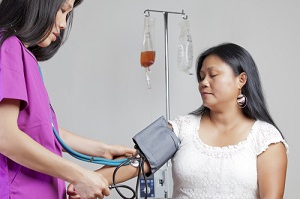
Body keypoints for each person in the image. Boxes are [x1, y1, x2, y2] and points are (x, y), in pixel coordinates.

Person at [68, 42, 288, 199]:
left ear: (241, 79)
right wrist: (80, 184)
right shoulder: (181, 127)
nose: (203, 83)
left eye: (213, 75)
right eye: (201, 77)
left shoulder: (266, 138)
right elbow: (132, 165)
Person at [0, 0, 136, 199]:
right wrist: (79, 175)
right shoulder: (8, 47)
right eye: (62, 10)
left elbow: (43, 128)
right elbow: (6, 136)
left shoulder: (24, 56)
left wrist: (103, 150)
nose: (63, 24)